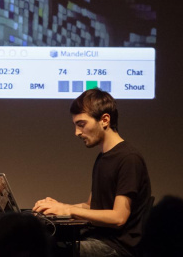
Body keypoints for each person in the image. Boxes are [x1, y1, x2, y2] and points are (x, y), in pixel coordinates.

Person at [33, 88, 152, 257]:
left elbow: (118, 217)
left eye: (81, 124)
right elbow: (91, 206)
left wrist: (68, 210)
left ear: (104, 120)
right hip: (97, 238)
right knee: (42, 242)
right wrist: (58, 207)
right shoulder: (103, 158)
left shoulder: (129, 158)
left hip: (116, 247)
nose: (77, 132)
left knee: (44, 250)